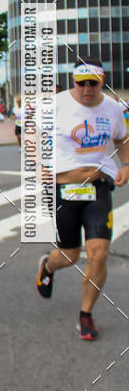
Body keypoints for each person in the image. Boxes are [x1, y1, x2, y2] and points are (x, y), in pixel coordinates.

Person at [35, 57, 129, 340]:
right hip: (65, 188)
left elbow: (122, 139)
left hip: (99, 188)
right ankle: (48, 266)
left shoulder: (113, 108)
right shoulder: (57, 105)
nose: (87, 89)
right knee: (69, 255)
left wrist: (125, 165)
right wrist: (40, 166)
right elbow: (34, 136)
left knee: (99, 253)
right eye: (81, 83)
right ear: (74, 81)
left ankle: (85, 314)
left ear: (101, 82)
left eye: (93, 83)